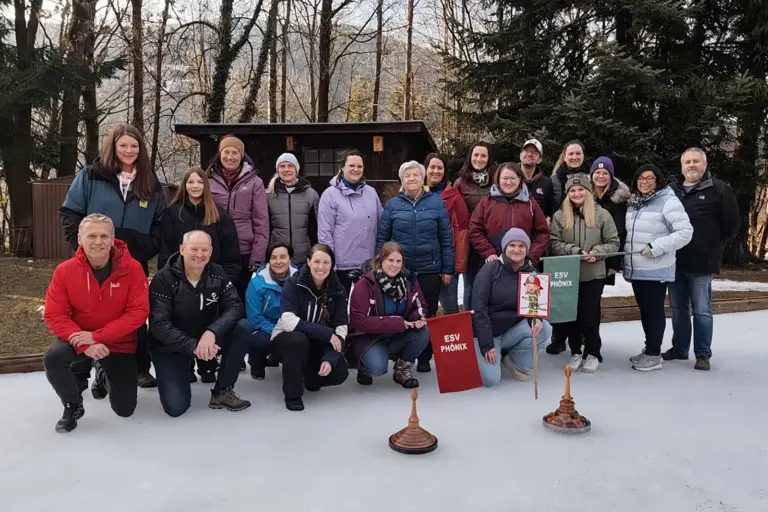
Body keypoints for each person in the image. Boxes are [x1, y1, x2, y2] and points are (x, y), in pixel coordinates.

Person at [59, 124, 164, 391]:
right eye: (123, 145)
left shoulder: (150, 183)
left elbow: (160, 225)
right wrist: (79, 245)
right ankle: (82, 370)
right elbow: (70, 213)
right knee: (88, 311)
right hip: (92, 259)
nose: (129, 151)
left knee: (134, 315)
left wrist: (145, 248)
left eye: (134, 146)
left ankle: (139, 368)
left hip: (132, 262)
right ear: (113, 147)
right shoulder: (91, 176)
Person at [43, 214, 149, 432]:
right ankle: (73, 405)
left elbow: (138, 313)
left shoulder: (133, 268)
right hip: (79, 337)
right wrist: (86, 343)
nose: (98, 241)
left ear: (112, 239)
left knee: (125, 409)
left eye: (104, 236)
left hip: (118, 341)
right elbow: (55, 314)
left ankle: (100, 372)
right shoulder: (65, 271)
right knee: (54, 357)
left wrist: (97, 337)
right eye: (92, 235)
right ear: (80, 239)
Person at [148, 231, 251, 416]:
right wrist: (194, 346)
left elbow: (235, 305)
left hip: (207, 338)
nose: (199, 254)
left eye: (204, 250)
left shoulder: (218, 273)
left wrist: (212, 332)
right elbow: (158, 324)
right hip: (171, 345)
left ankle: (222, 391)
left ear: (211, 252)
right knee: (176, 408)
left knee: (243, 327)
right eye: (194, 249)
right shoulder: (163, 279)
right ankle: (180, 371)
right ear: (182, 249)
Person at [159, 167, 241, 383]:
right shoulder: (172, 214)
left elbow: (232, 256)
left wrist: (222, 282)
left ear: (206, 186)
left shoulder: (219, 215)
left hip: (213, 283)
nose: (195, 186)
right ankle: (186, 362)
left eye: (199, 182)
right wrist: (166, 280)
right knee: (182, 319)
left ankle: (208, 363)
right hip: (180, 282)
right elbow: (166, 251)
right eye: (190, 182)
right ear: (184, 185)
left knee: (211, 319)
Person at [376, 160, 454, 372]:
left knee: (426, 312)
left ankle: (424, 357)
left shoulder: (436, 203)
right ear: (402, 180)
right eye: (407, 175)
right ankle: (404, 356)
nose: (412, 178)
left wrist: (447, 269)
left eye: (416, 175)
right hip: (399, 270)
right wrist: (379, 266)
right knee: (403, 312)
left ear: (423, 178)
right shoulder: (392, 205)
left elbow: (446, 237)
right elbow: (383, 238)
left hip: (429, 268)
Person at [667, 148, 739, 371]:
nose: (691, 165)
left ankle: (702, 353)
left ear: (704, 164)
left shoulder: (718, 189)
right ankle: (679, 348)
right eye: (687, 161)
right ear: (681, 166)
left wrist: (711, 246)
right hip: (675, 260)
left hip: (702, 261)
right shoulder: (672, 191)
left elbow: (731, 225)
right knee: (678, 308)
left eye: (695, 161)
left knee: (701, 310)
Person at [624, 165, 693, 371]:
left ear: (658, 180)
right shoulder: (634, 202)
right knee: (645, 311)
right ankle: (649, 348)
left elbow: (685, 232)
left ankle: (654, 355)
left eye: (650, 178)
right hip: (637, 268)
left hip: (656, 267)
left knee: (654, 312)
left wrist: (656, 248)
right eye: (640, 178)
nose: (644, 182)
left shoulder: (668, 201)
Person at [549, 175, 619, 373]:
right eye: (572, 190)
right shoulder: (560, 216)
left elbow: (613, 242)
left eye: (581, 190)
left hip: (593, 274)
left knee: (589, 316)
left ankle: (593, 352)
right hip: (569, 274)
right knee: (571, 316)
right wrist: (575, 252)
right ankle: (575, 351)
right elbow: (554, 242)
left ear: (588, 192)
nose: (576, 193)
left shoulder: (602, 214)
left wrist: (597, 254)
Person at [271, 244, 350, 411]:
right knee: (298, 339)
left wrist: (330, 358)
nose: (321, 267)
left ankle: (309, 377)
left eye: (326, 262)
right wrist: (327, 333)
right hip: (286, 340)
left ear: (332, 265)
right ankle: (292, 394)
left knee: (339, 372)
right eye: (316, 261)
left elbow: (341, 329)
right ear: (308, 261)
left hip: (317, 342)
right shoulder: (293, 283)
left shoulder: (338, 290)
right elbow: (288, 321)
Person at [472, 228, 552, 387]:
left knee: (544, 328)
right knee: (491, 380)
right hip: (489, 332)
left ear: (527, 249)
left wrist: (537, 318)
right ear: (505, 248)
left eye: (521, 246)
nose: (516, 249)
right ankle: (484, 352)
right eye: (512, 245)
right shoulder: (490, 269)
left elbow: (534, 306)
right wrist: (487, 345)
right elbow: (479, 309)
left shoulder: (532, 274)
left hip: (512, 329)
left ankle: (514, 361)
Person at [347, 242, 430, 388]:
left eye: (399, 261)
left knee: (423, 332)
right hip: (369, 338)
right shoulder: (365, 284)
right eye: (390, 260)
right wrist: (398, 323)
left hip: (397, 335)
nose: (394, 265)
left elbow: (421, 306)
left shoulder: (409, 280)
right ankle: (364, 367)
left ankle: (402, 368)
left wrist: (417, 318)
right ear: (381, 261)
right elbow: (358, 321)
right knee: (377, 367)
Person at [207, 134, 269, 300]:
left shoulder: (254, 182)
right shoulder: (208, 179)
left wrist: (257, 256)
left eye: (235, 153)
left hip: (244, 251)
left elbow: (261, 221)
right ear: (220, 154)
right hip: (215, 249)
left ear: (241, 156)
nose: (230, 157)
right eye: (226, 152)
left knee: (241, 298)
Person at [317, 150, 382, 295]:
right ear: (342, 167)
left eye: (360, 166)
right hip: (342, 266)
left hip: (368, 264)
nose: (356, 169)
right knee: (343, 309)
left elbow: (380, 224)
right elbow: (325, 232)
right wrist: (329, 263)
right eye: (351, 165)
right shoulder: (330, 195)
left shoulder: (371, 193)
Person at [232, 243, 298, 380]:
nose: (278, 262)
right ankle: (257, 363)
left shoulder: (300, 280)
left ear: (290, 259)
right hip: (266, 327)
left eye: (283, 257)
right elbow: (254, 317)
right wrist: (277, 330)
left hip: (292, 325)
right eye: (273, 258)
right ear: (268, 261)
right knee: (259, 341)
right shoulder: (257, 283)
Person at [469, 162, 550, 268]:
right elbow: (475, 230)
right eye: (505, 178)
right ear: (498, 179)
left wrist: (531, 256)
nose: (508, 182)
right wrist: (488, 252)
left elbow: (542, 233)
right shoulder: (486, 202)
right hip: (493, 263)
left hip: (522, 264)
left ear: (520, 179)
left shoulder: (530, 203)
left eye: (512, 178)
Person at [424, 153, 469, 315]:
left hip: (446, 263)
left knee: (449, 306)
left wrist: (456, 266)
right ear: (425, 169)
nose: (435, 171)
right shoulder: (414, 192)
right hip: (422, 263)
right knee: (423, 308)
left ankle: (453, 339)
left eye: (439, 168)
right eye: (432, 167)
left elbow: (462, 233)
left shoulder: (454, 197)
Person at [453, 141, 495, 309]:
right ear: (470, 157)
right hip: (469, 242)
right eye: (476, 155)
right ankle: (470, 322)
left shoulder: (496, 181)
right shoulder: (461, 183)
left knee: (490, 283)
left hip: (492, 239)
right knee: (471, 284)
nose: (479, 159)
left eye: (483, 155)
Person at [265, 153, 319, 265]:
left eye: (290, 166)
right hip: (278, 257)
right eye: (282, 166)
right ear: (277, 170)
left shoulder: (311, 194)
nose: (286, 169)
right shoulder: (269, 195)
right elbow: (265, 227)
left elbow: (315, 227)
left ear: (296, 169)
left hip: (303, 256)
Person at [590, 156, 630, 286]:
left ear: (611, 176)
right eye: (597, 172)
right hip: (585, 254)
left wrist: (614, 264)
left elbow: (619, 232)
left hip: (606, 257)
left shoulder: (617, 201)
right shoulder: (583, 195)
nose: (601, 176)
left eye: (605, 173)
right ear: (591, 175)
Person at [519, 139, 555, 218]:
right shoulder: (510, 177)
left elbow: (548, 211)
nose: (530, 154)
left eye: (535, 152)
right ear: (520, 154)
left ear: (540, 159)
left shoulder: (547, 182)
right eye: (527, 150)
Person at [551, 140, 590, 208]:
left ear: (583, 156)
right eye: (571, 154)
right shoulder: (554, 180)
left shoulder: (592, 177)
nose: (574, 157)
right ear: (565, 157)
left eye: (578, 153)